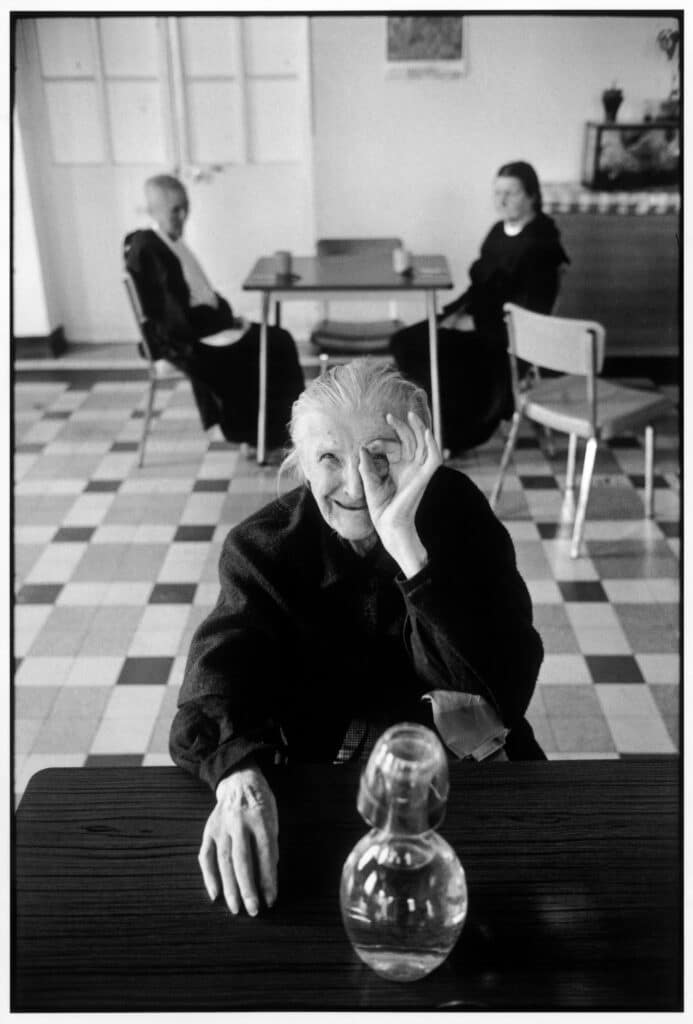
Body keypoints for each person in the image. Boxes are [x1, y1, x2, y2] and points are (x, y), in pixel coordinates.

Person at [169, 358, 545, 918]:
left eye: (381, 455)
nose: (356, 485)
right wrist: (238, 779)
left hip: (468, 765)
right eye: (329, 458)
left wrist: (407, 548)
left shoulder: (461, 513)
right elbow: (215, 684)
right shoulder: (261, 549)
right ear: (299, 466)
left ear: (418, 453)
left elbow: (496, 692)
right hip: (326, 777)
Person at [390, 161, 570, 453]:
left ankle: (449, 432)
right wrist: (456, 316)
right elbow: (482, 288)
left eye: (510, 193)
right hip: (475, 318)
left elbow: (531, 312)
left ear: (532, 196)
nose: (501, 200)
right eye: (497, 192)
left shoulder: (542, 244)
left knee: (427, 350)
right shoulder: (499, 231)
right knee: (404, 341)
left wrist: (475, 323)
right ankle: (434, 424)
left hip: (503, 339)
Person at [124, 174, 304, 448]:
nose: (183, 215)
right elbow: (176, 319)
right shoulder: (150, 249)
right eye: (175, 210)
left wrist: (228, 319)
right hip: (186, 341)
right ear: (153, 211)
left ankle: (274, 434)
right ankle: (267, 435)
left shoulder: (168, 241)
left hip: (206, 326)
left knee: (278, 340)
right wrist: (227, 321)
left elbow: (197, 294)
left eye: (186, 207)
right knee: (276, 344)